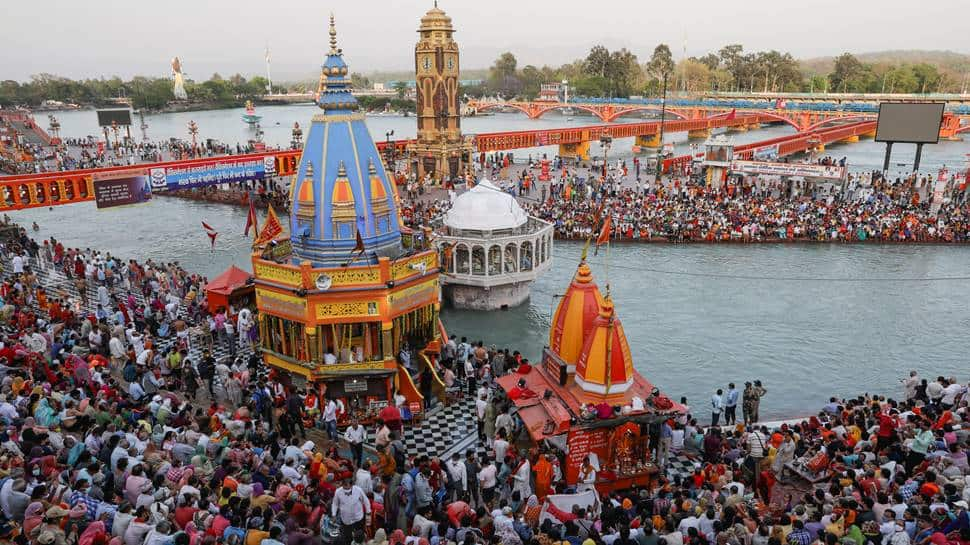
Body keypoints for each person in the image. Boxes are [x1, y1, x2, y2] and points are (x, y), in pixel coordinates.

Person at [331, 478, 370, 544]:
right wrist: (334, 514)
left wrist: (368, 511)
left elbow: (365, 501)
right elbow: (335, 504)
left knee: (359, 536)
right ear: (342, 485)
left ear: (352, 486)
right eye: (345, 488)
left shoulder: (358, 490)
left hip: (358, 518)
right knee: (348, 537)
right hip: (346, 520)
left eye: (348, 488)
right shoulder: (338, 492)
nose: (346, 490)